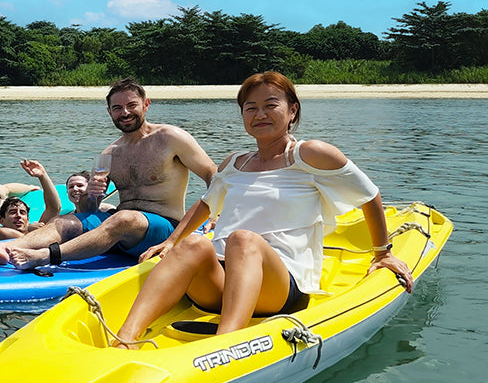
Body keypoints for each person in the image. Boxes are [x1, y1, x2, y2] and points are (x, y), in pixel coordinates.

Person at [114, 72, 413, 346]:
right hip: (220, 282)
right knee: (193, 243)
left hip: (279, 286)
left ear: (292, 110)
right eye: (251, 108)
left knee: (243, 240)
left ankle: (224, 343)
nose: (260, 114)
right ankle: (125, 337)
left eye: (271, 105)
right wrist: (170, 242)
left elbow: (369, 195)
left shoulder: (310, 154)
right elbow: (206, 204)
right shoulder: (234, 163)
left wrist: (382, 253)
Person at [0, 78, 216, 268]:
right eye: (117, 108)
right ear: (109, 112)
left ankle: (43, 256)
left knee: (123, 217)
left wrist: (215, 214)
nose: (124, 113)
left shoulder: (170, 138)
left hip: (162, 227)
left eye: (131, 105)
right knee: (63, 221)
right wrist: (92, 196)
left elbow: (213, 175)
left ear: (146, 105)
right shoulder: (111, 153)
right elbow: (87, 209)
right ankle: (2, 248)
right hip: (121, 228)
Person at [0, 160, 64, 232]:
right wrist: (27, 229)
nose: (18, 216)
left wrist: (43, 176)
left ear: (28, 220)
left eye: (22, 212)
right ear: (2, 221)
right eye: (12, 212)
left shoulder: (34, 232)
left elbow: (54, 209)